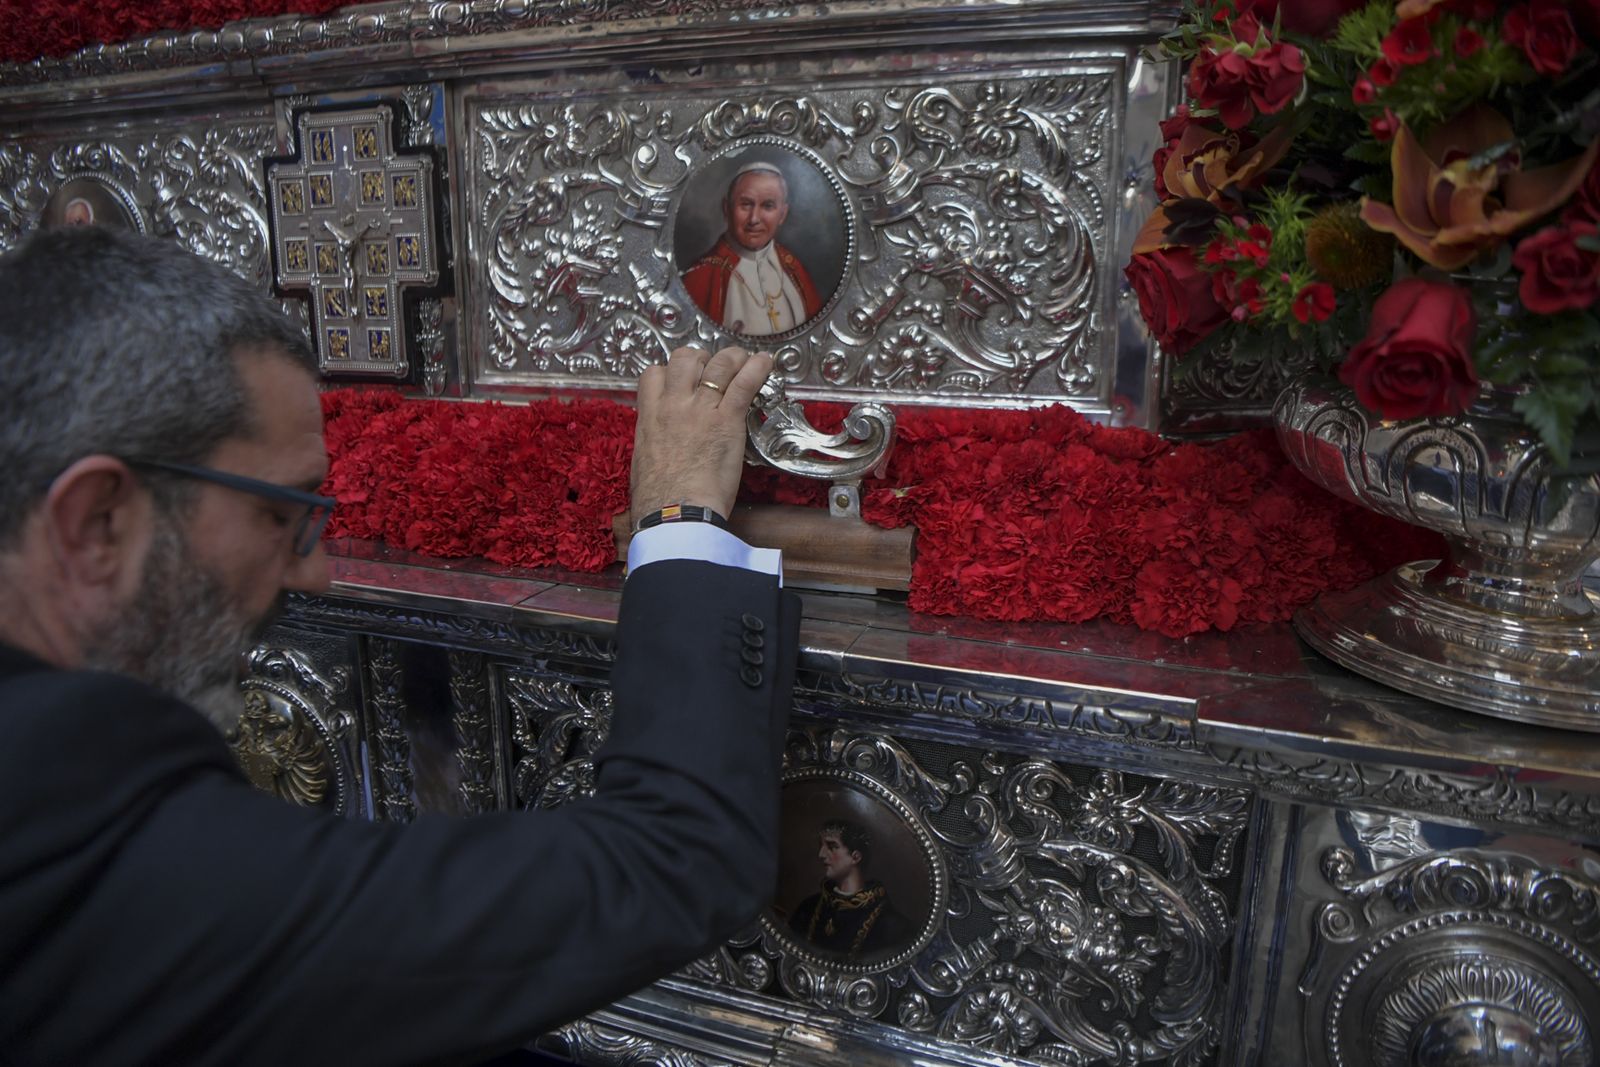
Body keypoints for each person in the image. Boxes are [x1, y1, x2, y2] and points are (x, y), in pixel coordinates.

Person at [0, 226, 797, 1065]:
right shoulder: (77, 823)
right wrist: (678, 523)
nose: (315, 576)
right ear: (98, 523)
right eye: (281, 510)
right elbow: (674, 856)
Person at [681, 162, 824, 336]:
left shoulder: (794, 270)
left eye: (768, 206)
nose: (754, 218)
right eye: (746, 204)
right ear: (727, 209)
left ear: (782, 214)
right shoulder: (701, 277)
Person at [787, 818, 909, 960]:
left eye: (832, 847)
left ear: (855, 857)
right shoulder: (807, 908)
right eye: (821, 846)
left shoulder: (890, 923)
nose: (821, 854)